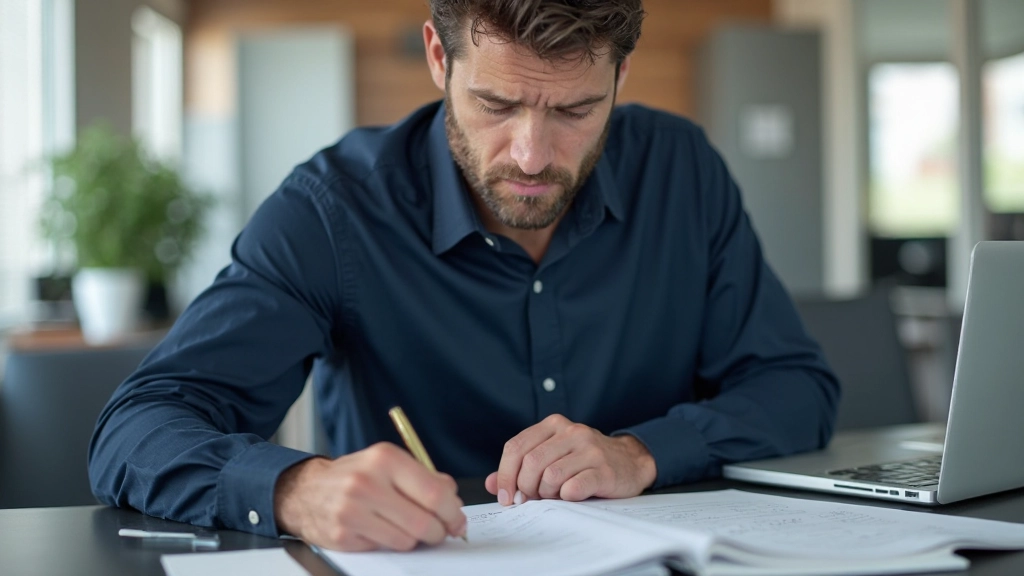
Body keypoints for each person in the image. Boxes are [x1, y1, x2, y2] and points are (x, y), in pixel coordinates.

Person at [89, 0, 839, 553]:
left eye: (576, 110)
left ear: (621, 75)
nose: (532, 155)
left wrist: (642, 453)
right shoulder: (333, 209)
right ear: (438, 59)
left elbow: (795, 387)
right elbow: (137, 429)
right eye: (496, 104)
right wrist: (295, 489)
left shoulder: (682, 171)